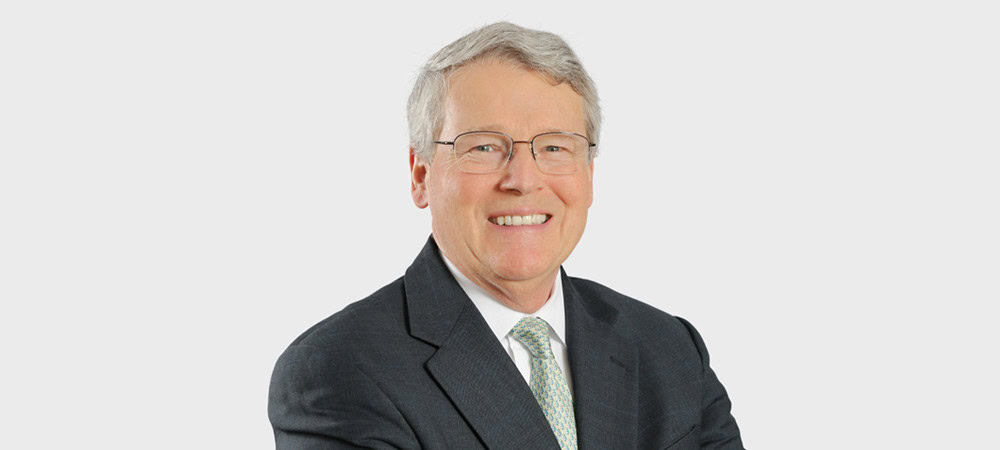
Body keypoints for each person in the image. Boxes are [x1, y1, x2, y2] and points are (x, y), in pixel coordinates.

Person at [268, 22, 744, 449]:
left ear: (589, 174)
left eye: (555, 147)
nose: (523, 179)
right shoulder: (338, 370)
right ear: (420, 176)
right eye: (483, 147)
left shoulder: (669, 348)